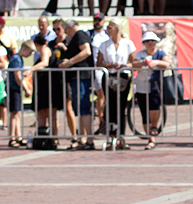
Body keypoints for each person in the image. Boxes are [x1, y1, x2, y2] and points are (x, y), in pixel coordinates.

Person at [98, 21, 136, 149]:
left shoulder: (127, 43)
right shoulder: (104, 44)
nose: (108, 30)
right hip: (109, 76)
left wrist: (123, 66)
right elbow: (99, 63)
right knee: (110, 105)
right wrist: (108, 65)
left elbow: (134, 62)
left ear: (117, 29)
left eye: (110, 27)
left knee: (122, 106)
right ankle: (112, 135)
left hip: (123, 76)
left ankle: (122, 136)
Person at [59, 19, 95, 149]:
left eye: (65, 29)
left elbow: (86, 51)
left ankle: (89, 139)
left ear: (70, 27)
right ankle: (83, 139)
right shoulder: (76, 38)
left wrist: (70, 62)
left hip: (82, 77)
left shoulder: (80, 34)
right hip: (77, 77)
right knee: (80, 109)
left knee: (84, 108)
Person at [131, 31, 170, 150]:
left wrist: (156, 62)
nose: (150, 43)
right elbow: (133, 64)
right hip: (141, 86)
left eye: (152, 41)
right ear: (144, 43)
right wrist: (143, 63)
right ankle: (150, 139)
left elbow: (167, 63)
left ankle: (154, 127)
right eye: (147, 41)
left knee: (154, 107)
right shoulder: (140, 54)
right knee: (144, 112)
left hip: (155, 85)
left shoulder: (160, 53)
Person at [7, 40, 33, 148]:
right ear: (24, 49)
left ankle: (17, 136)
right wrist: (26, 89)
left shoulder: (17, 58)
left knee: (16, 113)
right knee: (14, 113)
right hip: (14, 88)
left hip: (15, 88)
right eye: (29, 52)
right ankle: (12, 137)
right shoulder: (17, 59)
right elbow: (18, 76)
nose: (30, 55)